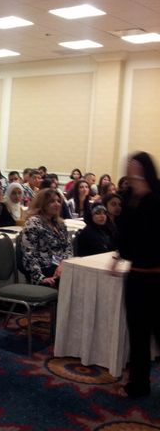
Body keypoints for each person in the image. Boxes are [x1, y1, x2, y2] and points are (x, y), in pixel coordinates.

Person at [114, 152, 160, 398]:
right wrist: (119, 255)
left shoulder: (157, 197)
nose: (131, 170)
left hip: (157, 277)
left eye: (136, 166)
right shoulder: (128, 199)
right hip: (136, 276)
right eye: (129, 166)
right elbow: (124, 237)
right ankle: (138, 385)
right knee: (138, 334)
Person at [20, 188, 72, 286]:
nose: (57, 204)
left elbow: (68, 248)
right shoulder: (33, 223)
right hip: (43, 269)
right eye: (52, 201)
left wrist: (63, 264)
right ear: (43, 204)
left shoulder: (60, 223)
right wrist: (40, 278)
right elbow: (29, 254)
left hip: (60, 266)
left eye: (58, 201)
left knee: (82, 273)